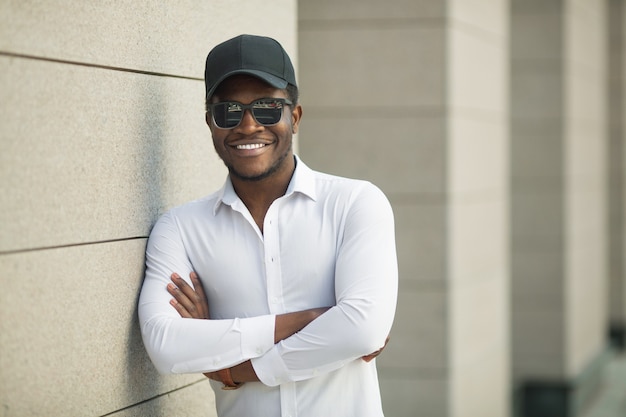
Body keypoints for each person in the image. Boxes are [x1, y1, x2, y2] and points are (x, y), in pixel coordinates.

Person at [138, 34, 398, 417]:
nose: (247, 126)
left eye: (266, 108)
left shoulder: (355, 204)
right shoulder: (179, 228)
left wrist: (233, 366)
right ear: (210, 122)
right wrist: (310, 321)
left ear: (294, 116)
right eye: (228, 110)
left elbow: (362, 330)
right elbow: (165, 345)